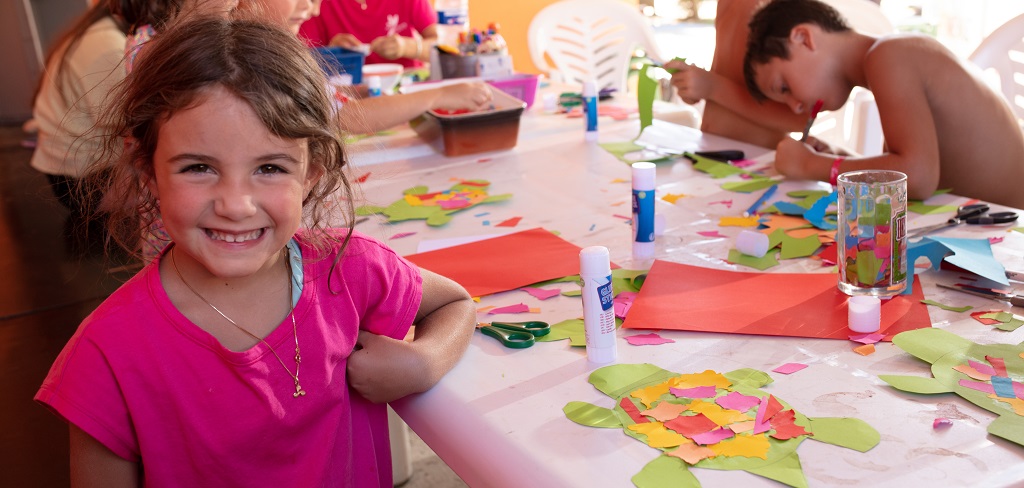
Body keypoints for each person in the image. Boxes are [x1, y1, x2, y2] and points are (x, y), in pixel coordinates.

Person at [35, 16, 476, 487]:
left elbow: (455, 303)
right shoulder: (107, 352)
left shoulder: (352, 270)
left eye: (269, 167)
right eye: (199, 167)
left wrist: (425, 359)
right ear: (146, 169)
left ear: (313, 171)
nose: (236, 205)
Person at [742, 0, 1024, 209]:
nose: (795, 107)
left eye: (784, 87)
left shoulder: (889, 55)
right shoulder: (886, 62)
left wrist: (812, 165)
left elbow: (918, 178)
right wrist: (838, 157)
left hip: (1012, 228)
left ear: (803, 38)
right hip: (985, 219)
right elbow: (905, 167)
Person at [244, 0, 493, 134]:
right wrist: (439, 96)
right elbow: (349, 116)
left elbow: (445, 44)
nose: (314, 9)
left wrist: (409, 48)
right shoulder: (261, 55)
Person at [29, 1, 127, 234]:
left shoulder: (96, 30)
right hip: (83, 187)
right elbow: (127, 119)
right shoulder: (109, 45)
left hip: (70, 178)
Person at [666, 0, 807, 149]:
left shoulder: (780, 6)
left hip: (754, 162)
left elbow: (798, 119)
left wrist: (713, 88)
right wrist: (694, 85)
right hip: (709, 152)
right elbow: (727, 73)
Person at [298, 0, 437, 68]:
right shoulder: (317, 4)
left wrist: (406, 47)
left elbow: (444, 48)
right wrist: (331, 53)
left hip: (409, 87)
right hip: (353, 96)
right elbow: (302, 62)